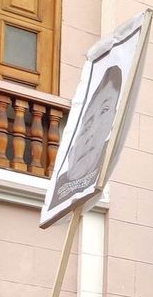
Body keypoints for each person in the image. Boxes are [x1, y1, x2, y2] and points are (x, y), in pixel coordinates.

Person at [51, 64, 122, 206]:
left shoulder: (107, 159)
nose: (93, 129)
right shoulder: (67, 176)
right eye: (88, 120)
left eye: (104, 110)